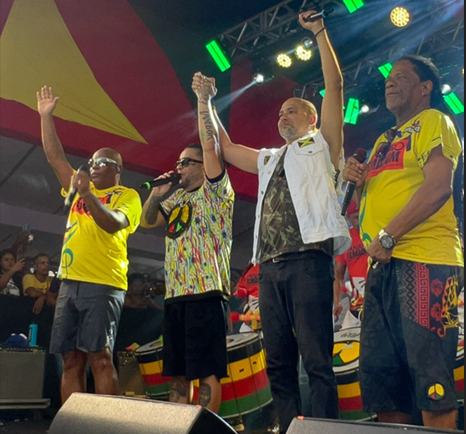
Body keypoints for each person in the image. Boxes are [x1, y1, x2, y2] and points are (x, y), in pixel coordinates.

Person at [193, 11, 350, 432]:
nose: (283, 115)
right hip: (269, 268)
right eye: (280, 112)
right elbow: (226, 148)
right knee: (278, 361)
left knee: (316, 359)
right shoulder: (268, 158)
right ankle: (289, 427)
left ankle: (324, 430)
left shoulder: (324, 146)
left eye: (292, 110)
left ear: (312, 119)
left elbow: (335, 86)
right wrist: (206, 102)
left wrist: (319, 32)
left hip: (308, 262)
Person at [343, 55, 464, 430]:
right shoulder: (383, 140)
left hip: (426, 261)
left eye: (401, 77)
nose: (390, 82)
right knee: (384, 382)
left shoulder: (434, 121)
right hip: (383, 264)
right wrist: (359, 185)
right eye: (388, 78)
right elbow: (369, 207)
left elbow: (438, 187)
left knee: (431, 380)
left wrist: (388, 235)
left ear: (425, 87)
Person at [37, 86, 143, 404]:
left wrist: (86, 195)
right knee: (71, 360)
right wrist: (45, 116)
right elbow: (55, 157)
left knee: (100, 358)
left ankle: (103, 424)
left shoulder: (127, 196)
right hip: (70, 283)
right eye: (93, 161)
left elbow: (113, 223)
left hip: (104, 283)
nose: (95, 165)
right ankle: (73, 422)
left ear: (118, 169)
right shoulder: (79, 187)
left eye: (104, 161)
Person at [140, 78, 234, 413]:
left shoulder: (215, 191)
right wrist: (156, 194)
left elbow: (210, 145)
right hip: (176, 295)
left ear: (202, 166)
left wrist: (202, 100)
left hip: (206, 293)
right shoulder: (176, 198)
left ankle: (206, 428)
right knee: (178, 374)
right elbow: (147, 221)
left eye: (185, 163)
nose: (178, 167)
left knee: (207, 372)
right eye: (178, 162)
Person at [333, 201, 369, 328]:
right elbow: (337, 274)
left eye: (361, 215)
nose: (359, 221)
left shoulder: (377, 232)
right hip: (356, 308)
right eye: (355, 217)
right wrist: (337, 301)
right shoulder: (347, 240)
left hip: (379, 303)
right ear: (348, 217)